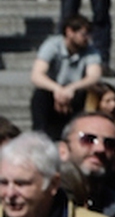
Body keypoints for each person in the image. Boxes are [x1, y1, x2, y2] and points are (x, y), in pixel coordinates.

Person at [28, 14, 102, 142]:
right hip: (52, 92)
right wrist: (58, 90)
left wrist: (71, 89)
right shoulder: (52, 45)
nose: (87, 39)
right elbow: (36, 75)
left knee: (89, 94)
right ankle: (39, 137)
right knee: (40, 95)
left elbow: (94, 76)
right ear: (69, 32)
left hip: (76, 93)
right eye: (83, 34)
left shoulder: (91, 51)